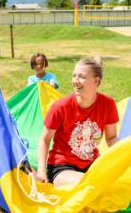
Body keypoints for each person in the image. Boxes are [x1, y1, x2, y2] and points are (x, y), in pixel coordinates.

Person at [35, 57, 119, 187]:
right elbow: (44, 140)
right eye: (74, 76)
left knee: (115, 182)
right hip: (62, 167)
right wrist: (41, 171)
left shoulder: (108, 104)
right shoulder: (61, 107)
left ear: (96, 81)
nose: (75, 81)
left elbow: (112, 137)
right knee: (88, 185)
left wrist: (125, 155)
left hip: (91, 164)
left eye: (81, 77)